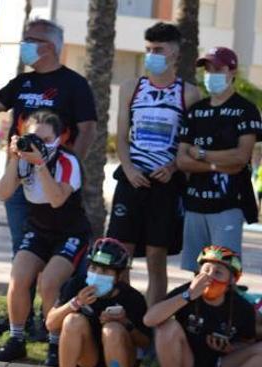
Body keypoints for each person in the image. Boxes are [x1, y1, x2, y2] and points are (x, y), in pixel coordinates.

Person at [0, 18, 98, 341]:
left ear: (50, 46)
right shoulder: (23, 83)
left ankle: (55, 325)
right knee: (23, 252)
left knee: (56, 263)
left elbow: (88, 128)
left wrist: (68, 166)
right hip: (19, 177)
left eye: (31, 39)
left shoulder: (74, 83)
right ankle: (21, 321)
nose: (25, 44)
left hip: (55, 183)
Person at [106, 22, 201, 306]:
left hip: (166, 183)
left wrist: (173, 166)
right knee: (119, 254)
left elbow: (191, 143)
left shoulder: (189, 93)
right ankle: (122, 318)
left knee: (156, 257)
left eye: (158, 49)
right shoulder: (131, 88)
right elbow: (121, 137)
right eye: (148, 49)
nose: (152, 55)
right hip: (132, 179)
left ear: (175, 54)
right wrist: (131, 169)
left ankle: (151, 327)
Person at [0, 110, 92, 365]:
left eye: (46, 140)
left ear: (59, 139)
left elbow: (57, 199)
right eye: (34, 138)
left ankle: (55, 342)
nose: (39, 145)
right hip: (39, 230)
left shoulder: (68, 162)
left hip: (70, 233)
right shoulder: (23, 159)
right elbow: (2, 193)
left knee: (48, 283)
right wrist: (15, 159)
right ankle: (16, 339)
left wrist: (40, 164)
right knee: (19, 276)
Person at [144, 246, 262, 367]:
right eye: (206, 270)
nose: (210, 277)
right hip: (186, 364)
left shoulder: (242, 308)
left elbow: (248, 346)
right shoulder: (186, 291)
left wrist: (230, 349)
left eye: (218, 272)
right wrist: (188, 295)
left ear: (232, 280)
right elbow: (149, 320)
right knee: (166, 326)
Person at [35, 238, 151, 367]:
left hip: (122, 359)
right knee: (72, 320)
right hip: (88, 358)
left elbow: (145, 342)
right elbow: (51, 324)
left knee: (112, 329)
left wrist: (125, 323)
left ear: (118, 276)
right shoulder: (76, 285)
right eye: (93, 268)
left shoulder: (132, 298)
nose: (97, 274)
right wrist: (75, 303)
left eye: (105, 271)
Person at [176, 47, 261, 271]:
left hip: (228, 203)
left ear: (232, 71)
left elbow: (241, 157)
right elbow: (182, 160)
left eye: (218, 68)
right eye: (208, 69)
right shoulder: (195, 111)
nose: (211, 74)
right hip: (194, 203)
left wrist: (202, 155)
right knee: (196, 271)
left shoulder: (245, 110)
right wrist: (217, 165)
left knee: (224, 270)